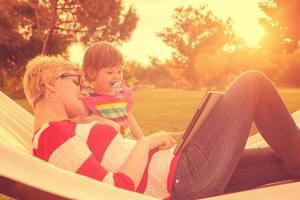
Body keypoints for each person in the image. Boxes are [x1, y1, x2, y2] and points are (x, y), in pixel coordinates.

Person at [23, 55, 300, 200]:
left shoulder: (65, 129)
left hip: (182, 168)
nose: (83, 92)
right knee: (253, 82)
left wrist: (174, 137)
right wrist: (147, 142)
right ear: (50, 85)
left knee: (280, 159)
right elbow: (112, 190)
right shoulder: (52, 136)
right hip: (182, 177)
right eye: (76, 83)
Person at [82, 42, 143, 139]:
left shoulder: (123, 94)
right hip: (108, 149)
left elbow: (129, 118)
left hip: (128, 144)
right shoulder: (89, 98)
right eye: (110, 72)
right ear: (92, 72)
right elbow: (87, 122)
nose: (117, 76)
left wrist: (141, 139)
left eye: (119, 71)